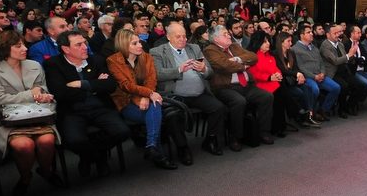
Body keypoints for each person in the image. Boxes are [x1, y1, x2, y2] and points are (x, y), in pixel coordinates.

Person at [0, 30, 63, 196]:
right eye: (18, 46)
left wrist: (43, 96)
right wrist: (31, 94)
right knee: (23, 145)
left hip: (38, 115)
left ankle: (45, 171)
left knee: (47, 140)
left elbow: (43, 90)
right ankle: (25, 178)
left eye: (23, 44)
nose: (25, 48)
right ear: (4, 48)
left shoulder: (34, 65)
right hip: (7, 120)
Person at [45, 30, 131, 177]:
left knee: (123, 131)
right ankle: (95, 157)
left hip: (100, 107)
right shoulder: (53, 64)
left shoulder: (96, 60)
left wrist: (82, 84)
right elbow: (60, 93)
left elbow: (110, 85)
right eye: (79, 44)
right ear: (66, 49)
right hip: (73, 111)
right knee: (73, 140)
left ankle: (95, 154)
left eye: (84, 42)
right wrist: (95, 85)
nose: (85, 46)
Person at [151, 22, 226, 158]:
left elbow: (210, 73)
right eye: (178, 37)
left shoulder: (194, 48)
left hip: (198, 94)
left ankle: (210, 139)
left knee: (218, 108)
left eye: (184, 36)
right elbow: (158, 74)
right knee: (174, 116)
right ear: (168, 37)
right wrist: (179, 69)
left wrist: (203, 69)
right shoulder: (157, 51)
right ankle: (182, 147)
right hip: (175, 96)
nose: (183, 40)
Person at [106, 29, 177, 170]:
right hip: (126, 102)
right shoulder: (113, 60)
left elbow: (152, 80)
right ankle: (156, 152)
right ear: (124, 45)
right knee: (155, 113)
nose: (140, 45)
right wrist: (149, 94)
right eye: (135, 43)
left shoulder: (146, 57)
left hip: (147, 100)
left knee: (154, 108)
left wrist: (146, 96)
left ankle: (153, 148)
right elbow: (126, 86)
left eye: (139, 41)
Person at [205, 25, 274, 151]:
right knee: (239, 101)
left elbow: (253, 57)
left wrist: (237, 59)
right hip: (226, 87)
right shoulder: (210, 50)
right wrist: (243, 66)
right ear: (216, 39)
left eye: (228, 33)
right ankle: (235, 137)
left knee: (267, 96)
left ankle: (264, 132)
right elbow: (225, 66)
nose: (229, 35)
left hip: (246, 85)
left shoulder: (234, 46)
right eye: (225, 34)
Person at [272, 32, 321, 128]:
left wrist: (299, 75)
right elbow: (282, 70)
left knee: (308, 88)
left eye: (291, 41)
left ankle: (309, 115)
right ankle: (303, 116)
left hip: (293, 80)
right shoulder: (275, 54)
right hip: (284, 83)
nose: (291, 43)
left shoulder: (291, 53)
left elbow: (296, 68)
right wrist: (297, 74)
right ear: (281, 42)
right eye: (288, 41)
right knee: (300, 93)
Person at [292, 25, 340, 121]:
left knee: (336, 88)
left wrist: (322, 73)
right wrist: (314, 76)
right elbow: (300, 67)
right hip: (308, 77)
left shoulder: (314, 47)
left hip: (320, 75)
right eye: (308, 32)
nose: (311, 34)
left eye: (311, 32)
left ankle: (323, 110)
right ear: (301, 35)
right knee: (314, 90)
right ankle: (311, 112)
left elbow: (321, 62)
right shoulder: (295, 49)